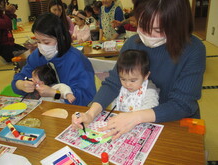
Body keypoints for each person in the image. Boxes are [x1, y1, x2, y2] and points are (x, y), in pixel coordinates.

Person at [72, 0, 206, 140]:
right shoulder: (133, 43)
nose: (147, 34)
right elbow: (113, 83)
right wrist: (91, 113)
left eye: (157, 30)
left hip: (177, 121)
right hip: (138, 120)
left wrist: (136, 117)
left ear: (176, 25)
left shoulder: (193, 49)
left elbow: (183, 104)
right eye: (142, 25)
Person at [11, 13, 96, 106]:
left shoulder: (76, 60)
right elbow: (20, 78)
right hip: (45, 107)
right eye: (38, 41)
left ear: (61, 38)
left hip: (72, 111)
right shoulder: (38, 55)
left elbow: (85, 97)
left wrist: (55, 94)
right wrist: (20, 85)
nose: (42, 46)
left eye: (46, 42)